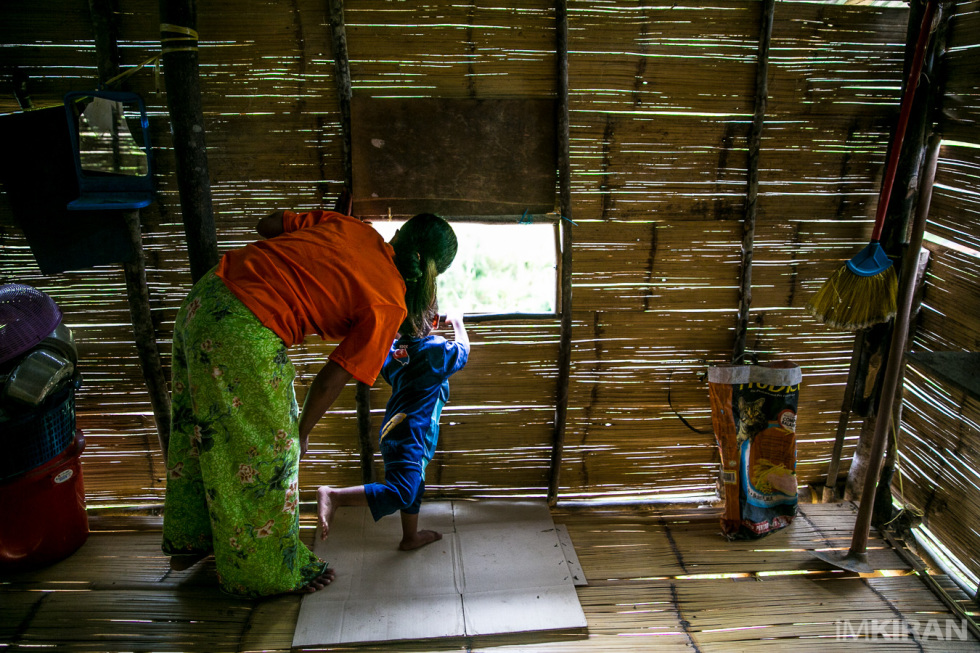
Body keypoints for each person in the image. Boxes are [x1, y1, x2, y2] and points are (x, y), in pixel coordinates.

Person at [161, 206, 457, 597]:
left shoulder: (354, 226)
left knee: (198, 427)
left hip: (205, 298)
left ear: (400, 233)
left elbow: (265, 225)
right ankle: (266, 575)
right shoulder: (391, 302)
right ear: (433, 274)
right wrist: (298, 435)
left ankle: (191, 543)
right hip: (242, 332)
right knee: (272, 455)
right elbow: (331, 379)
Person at [316, 300, 469, 551]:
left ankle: (410, 537)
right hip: (409, 437)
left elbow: (394, 355)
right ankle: (335, 496)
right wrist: (457, 320)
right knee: (402, 492)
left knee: (414, 485)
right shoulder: (436, 352)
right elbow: (463, 350)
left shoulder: (395, 355)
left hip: (397, 432)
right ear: (434, 321)